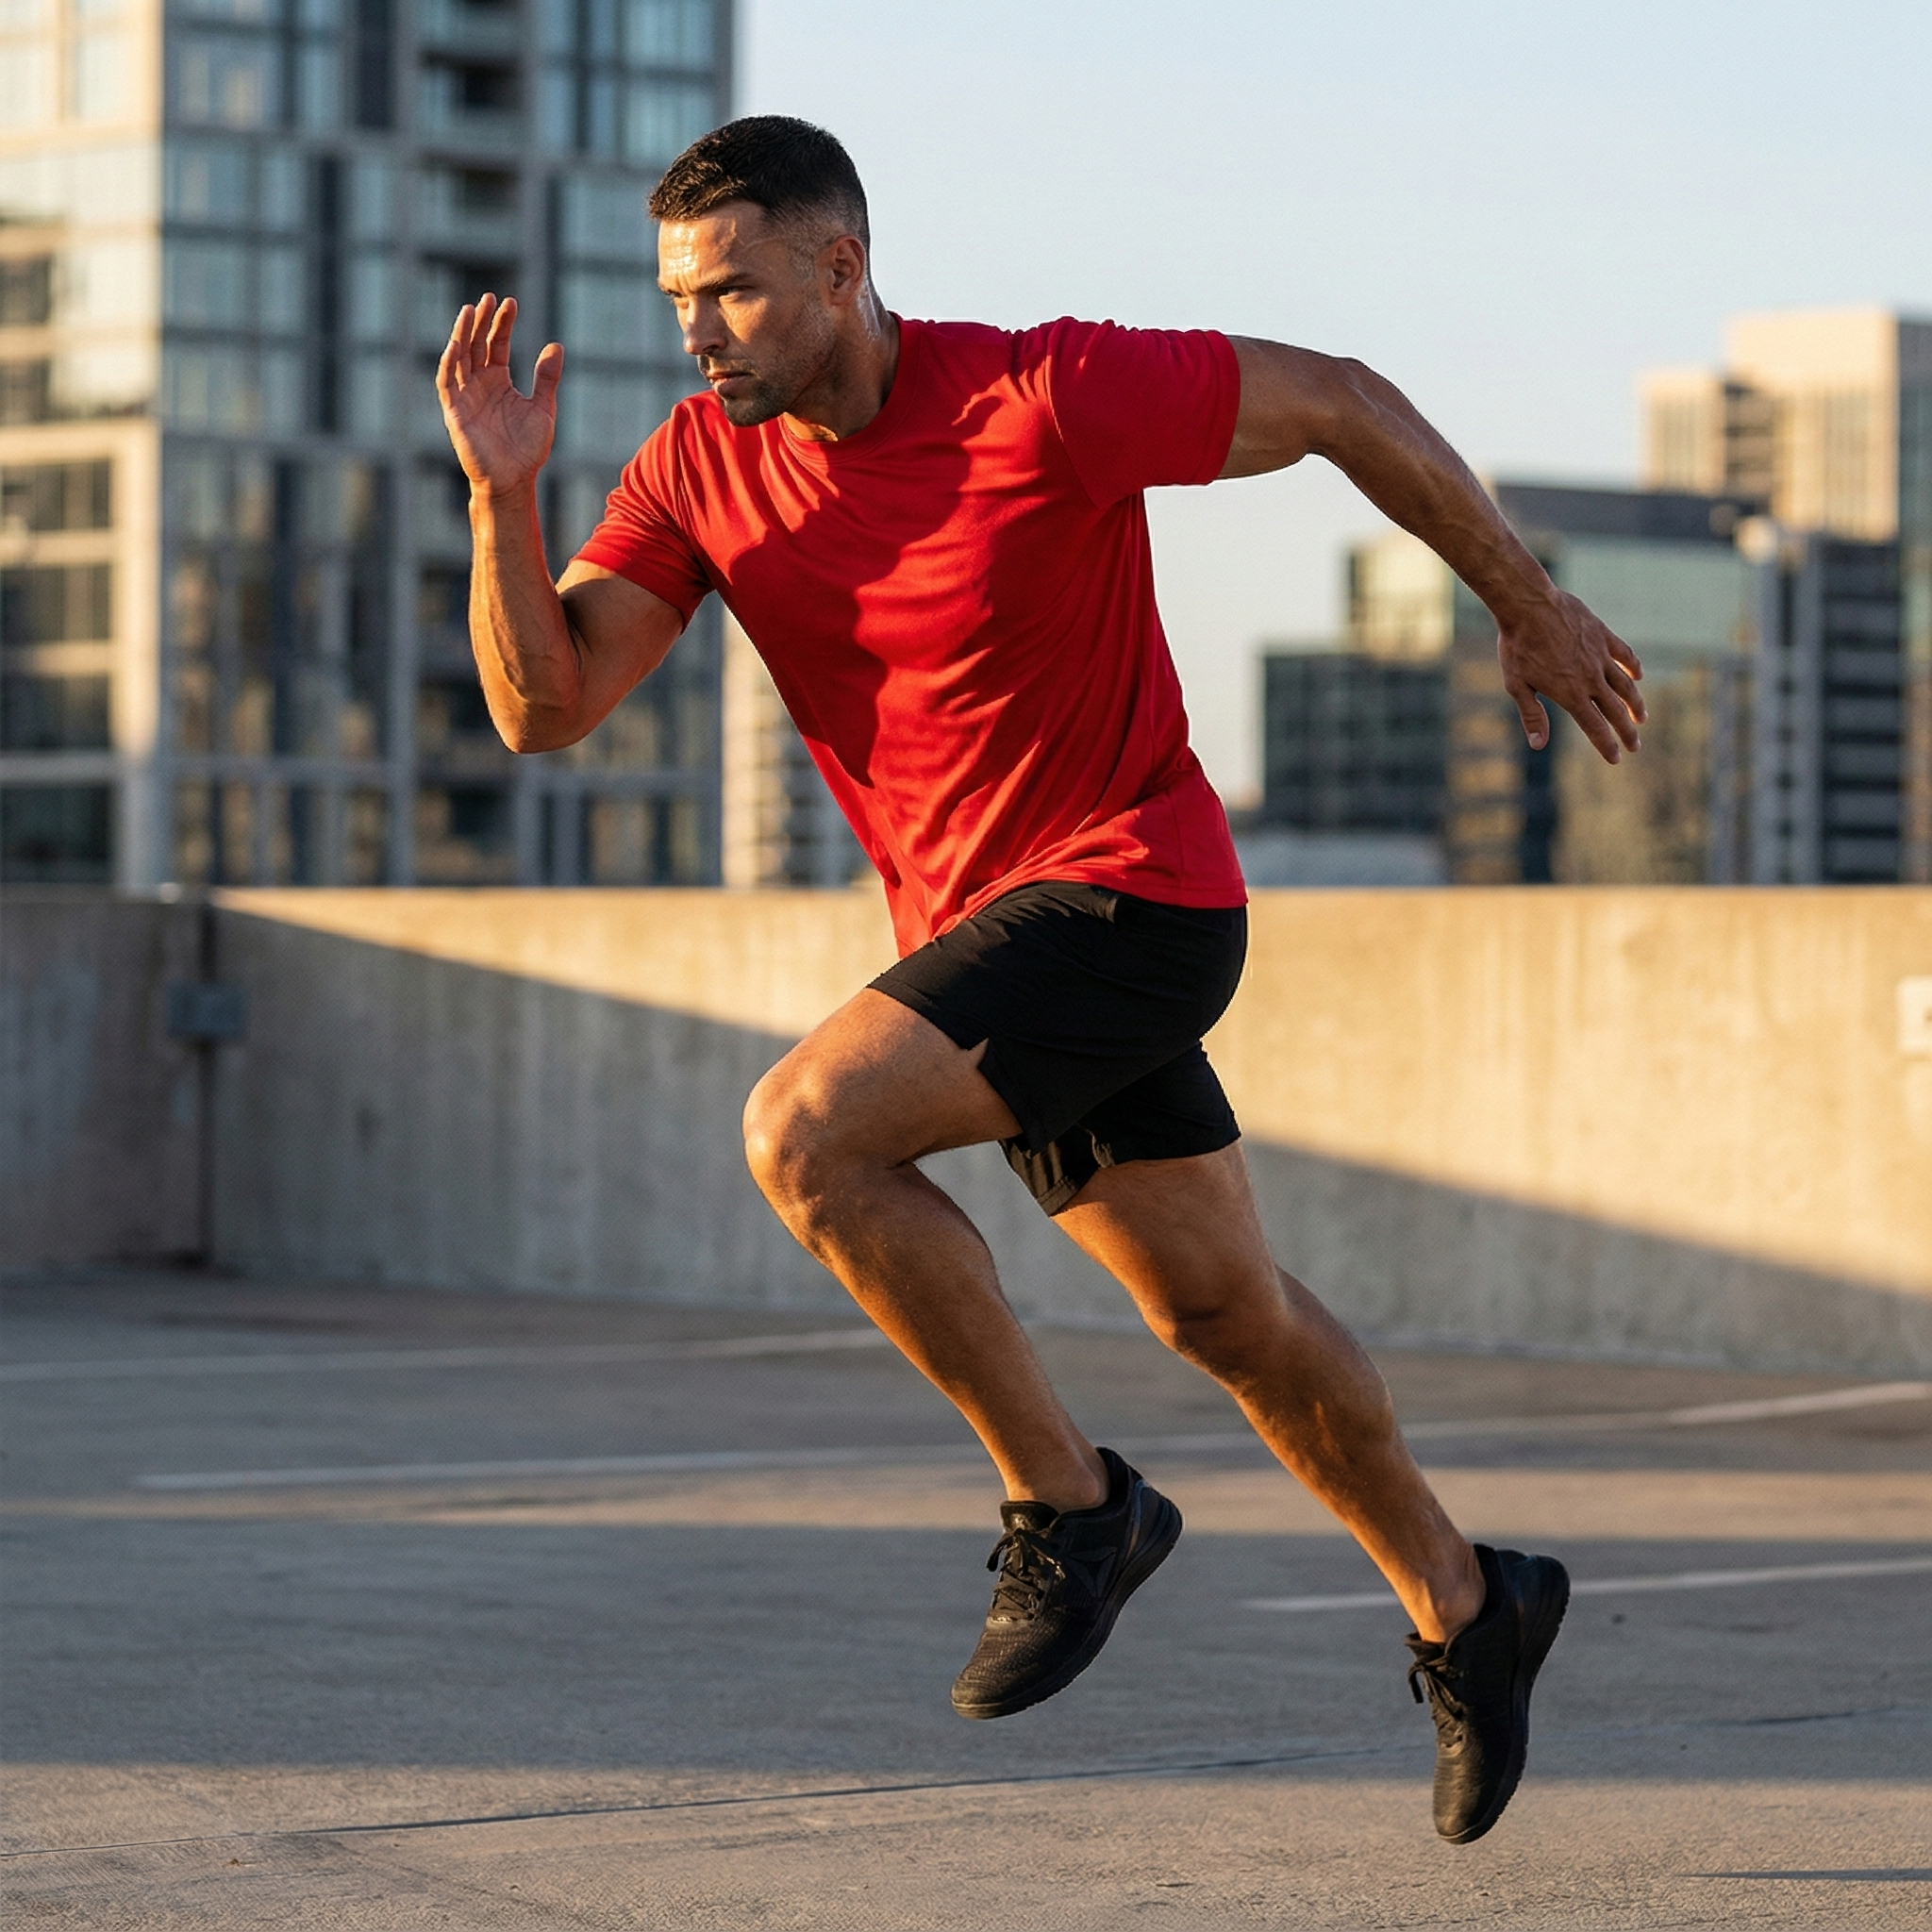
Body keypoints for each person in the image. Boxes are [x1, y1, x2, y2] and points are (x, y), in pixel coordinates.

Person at [437, 115, 1645, 1845]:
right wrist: (498, 493)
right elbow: (544, 705)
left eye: (733, 293)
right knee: (1227, 1317)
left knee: (808, 1137)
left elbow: (1344, 400)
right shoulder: (698, 468)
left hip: (1135, 895)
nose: (696, 331)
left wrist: (1520, 601)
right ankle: (1472, 1606)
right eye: (678, 298)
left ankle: (1069, 1512)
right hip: (984, 940)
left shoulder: (1041, 394)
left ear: (844, 270)